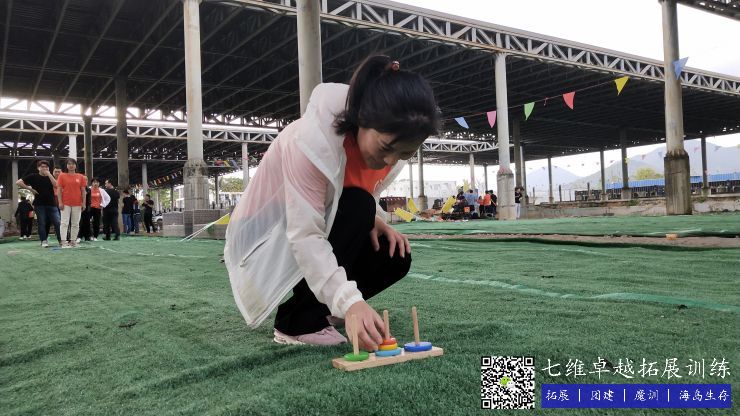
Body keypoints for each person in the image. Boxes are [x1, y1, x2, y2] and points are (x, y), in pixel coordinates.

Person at [224, 55, 441, 349]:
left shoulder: (385, 146)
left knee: (393, 254)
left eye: (404, 154)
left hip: (317, 221)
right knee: (359, 206)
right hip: (269, 232)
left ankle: (325, 309)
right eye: (386, 148)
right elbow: (306, 234)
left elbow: (345, 194)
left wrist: (373, 221)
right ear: (362, 118)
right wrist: (350, 303)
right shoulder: (309, 142)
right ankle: (297, 322)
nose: (390, 161)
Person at [16, 160, 61, 247]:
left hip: (52, 203)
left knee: (57, 222)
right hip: (39, 204)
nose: (44, 168)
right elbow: (18, 182)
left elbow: (56, 185)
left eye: (46, 167)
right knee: (41, 223)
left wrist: (49, 174)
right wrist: (30, 189)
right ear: (38, 168)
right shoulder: (33, 176)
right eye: (42, 167)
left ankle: (61, 241)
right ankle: (43, 241)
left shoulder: (50, 176)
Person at [56, 158, 87, 248]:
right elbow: (59, 190)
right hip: (65, 203)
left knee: (75, 223)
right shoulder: (62, 176)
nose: (71, 165)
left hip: (77, 203)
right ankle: (63, 242)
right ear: (66, 166)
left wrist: (84, 203)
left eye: (73, 164)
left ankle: (73, 241)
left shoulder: (81, 177)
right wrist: (60, 202)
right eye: (69, 164)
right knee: (64, 223)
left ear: (76, 166)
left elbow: (83, 191)